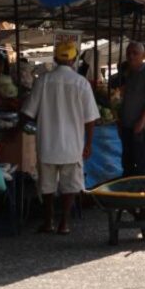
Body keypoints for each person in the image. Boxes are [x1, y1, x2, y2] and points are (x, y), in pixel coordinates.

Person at [21, 41, 98, 235]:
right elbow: (90, 119)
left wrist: (20, 127)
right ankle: (64, 222)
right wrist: (88, 144)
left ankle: (48, 222)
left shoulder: (43, 81)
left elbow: (28, 112)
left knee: (46, 186)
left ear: (55, 59)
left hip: (47, 143)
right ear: (74, 59)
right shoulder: (82, 83)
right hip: (73, 145)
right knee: (70, 185)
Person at [115, 42, 145, 177]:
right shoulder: (129, 73)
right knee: (128, 164)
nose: (131, 56)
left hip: (141, 128)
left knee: (142, 165)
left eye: (135, 53)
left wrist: (142, 120)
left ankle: (143, 194)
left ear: (143, 55)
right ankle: (130, 194)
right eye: (129, 53)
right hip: (127, 126)